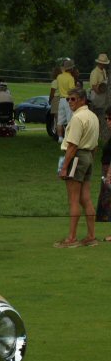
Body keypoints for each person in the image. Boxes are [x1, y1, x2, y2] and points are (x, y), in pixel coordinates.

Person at [55, 88, 100, 247]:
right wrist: (89, 161)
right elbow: (95, 144)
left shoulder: (77, 118)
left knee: (73, 199)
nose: (69, 102)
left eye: (73, 99)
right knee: (85, 198)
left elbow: (72, 146)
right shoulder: (93, 116)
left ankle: (72, 238)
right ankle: (91, 236)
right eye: (68, 99)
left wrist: (64, 167)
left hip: (77, 156)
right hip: (88, 156)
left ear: (82, 100)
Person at [89, 53, 110, 145]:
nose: (104, 64)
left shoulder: (103, 71)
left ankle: (99, 137)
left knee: (102, 117)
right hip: (96, 97)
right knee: (95, 117)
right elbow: (94, 87)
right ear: (99, 63)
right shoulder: (95, 72)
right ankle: (93, 138)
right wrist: (101, 90)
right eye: (103, 63)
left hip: (102, 97)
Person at [56, 59, 76, 140]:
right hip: (68, 100)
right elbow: (72, 90)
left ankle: (60, 138)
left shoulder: (59, 77)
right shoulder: (70, 78)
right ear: (70, 69)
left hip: (61, 100)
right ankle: (69, 138)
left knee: (60, 121)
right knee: (69, 120)